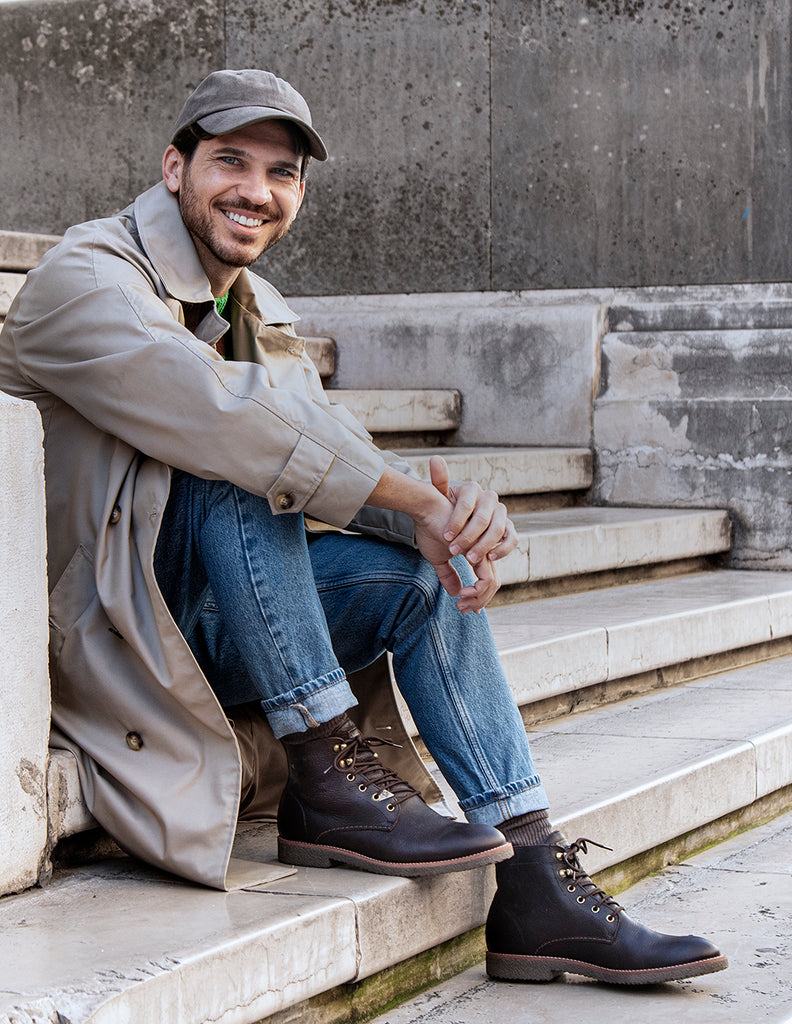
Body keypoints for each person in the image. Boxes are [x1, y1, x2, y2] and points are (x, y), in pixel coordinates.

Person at [0, 68, 727, 986]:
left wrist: (445, 525)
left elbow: (335, 451)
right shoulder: (82, 278)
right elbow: (231, 421)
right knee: (244, 463)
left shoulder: (253, 313)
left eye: (282, 173)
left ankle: (535, 872)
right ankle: (326, 765)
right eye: (231, 161)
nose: (257, 192)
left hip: (216, 622)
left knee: (424, 580)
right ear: (173, 166)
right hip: (116, 635)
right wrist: (416, 504)